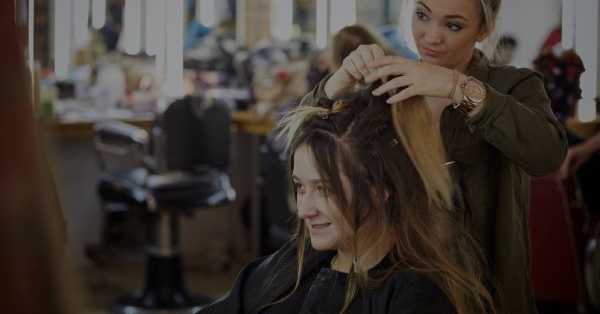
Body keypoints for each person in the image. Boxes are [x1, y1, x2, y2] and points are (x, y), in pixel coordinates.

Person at [300, 0, 567, 314]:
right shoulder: (387, 86)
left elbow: (547, 154)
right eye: (422, 15)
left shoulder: (514, 86)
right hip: (393, 292)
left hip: (481, 297)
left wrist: (456, 87)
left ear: (484, 28)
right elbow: (299, 143)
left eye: (453, 25)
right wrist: (337, 82)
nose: (431, 37)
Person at [201, 85, 494, 313]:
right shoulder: (298, 260)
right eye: (300, 187)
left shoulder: (415, 296)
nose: (303, 211)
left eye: (325, 190)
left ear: (379, 190)